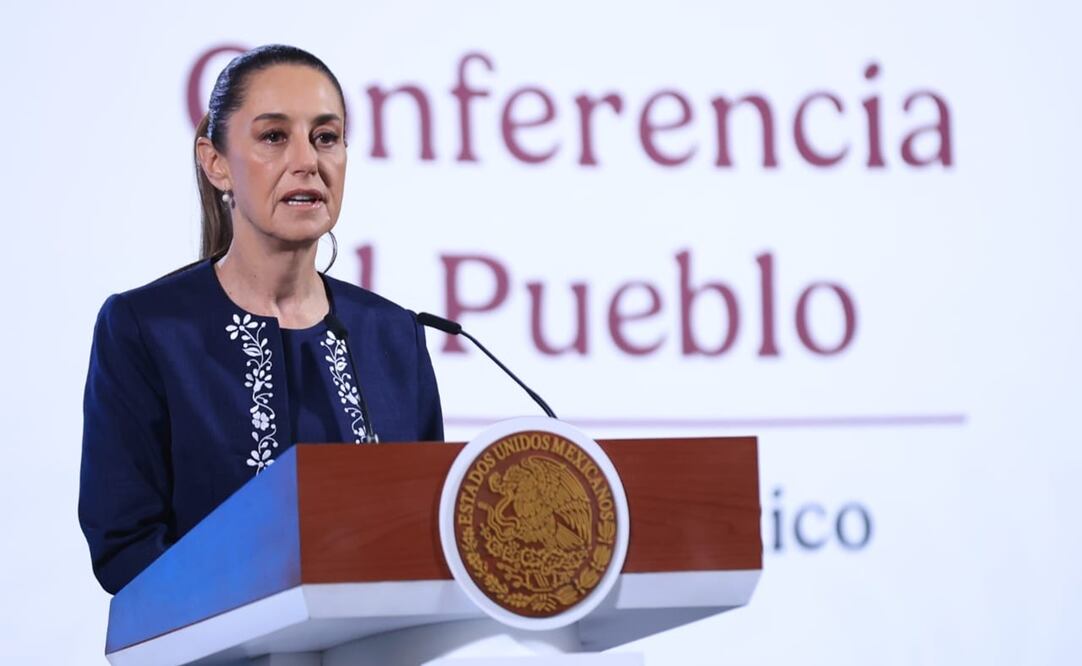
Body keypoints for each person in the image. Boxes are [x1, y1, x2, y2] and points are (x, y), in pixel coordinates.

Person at [78, 45, 444, 595]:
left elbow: (428, 531)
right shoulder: (146, 329)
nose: (308, 161)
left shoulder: (393, 335)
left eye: (326, 138)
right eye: (274, 137)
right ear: (215, 162)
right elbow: (125, 546)